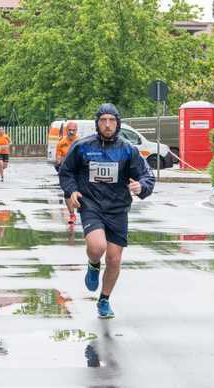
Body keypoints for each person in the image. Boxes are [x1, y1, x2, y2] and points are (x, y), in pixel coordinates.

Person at [58, 104, 155, 319]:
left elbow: (147, 176)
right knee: (97, 246)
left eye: (112, 120)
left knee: (113, 259)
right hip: (91, 204)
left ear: (118, 123)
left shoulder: (128, 149)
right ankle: (93, 265)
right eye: (103, 120)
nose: (108, 124)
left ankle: (104, 300)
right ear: (97, 123)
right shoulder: (82, 147)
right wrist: (72, 190)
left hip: (118, 208)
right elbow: (67, 172)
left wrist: (142, 187)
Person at [55, 121, 80, 224]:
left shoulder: (80, 142)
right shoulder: (61, 143)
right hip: (66, 171)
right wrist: (58, 160)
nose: (71, 132)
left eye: (73, 130)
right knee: (67, 193)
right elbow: (58, 156)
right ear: (66, 130)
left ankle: (84, 211)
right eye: (69, 130)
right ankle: (72, 215)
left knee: (82, 192)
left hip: (79, 171)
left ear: (76, 130)